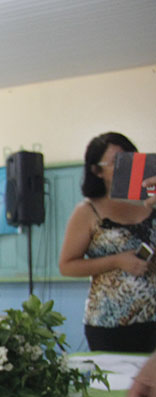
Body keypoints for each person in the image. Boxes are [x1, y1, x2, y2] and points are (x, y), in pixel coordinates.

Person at [59, 133, 156, 352]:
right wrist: (117, 261)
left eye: (130, 159)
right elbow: (66, 265)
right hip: (110, 321)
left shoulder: (151, 202)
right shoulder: (88, 210)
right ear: (97, 170)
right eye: (116, 162)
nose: (126, 167)